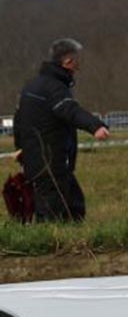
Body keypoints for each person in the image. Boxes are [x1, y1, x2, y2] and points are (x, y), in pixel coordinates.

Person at [13, 39, 110, 222]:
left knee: (74, 205)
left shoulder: (31, 86)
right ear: (67, 62)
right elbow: (69, 109)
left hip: (37, 159)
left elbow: (19, 119)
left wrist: (20, 147)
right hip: (50, 161)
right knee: (52, 212)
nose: (77, 68)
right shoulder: (54, 88)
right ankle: (51, 245)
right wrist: (95, 126)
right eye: (77, 63)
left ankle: (73, 240)